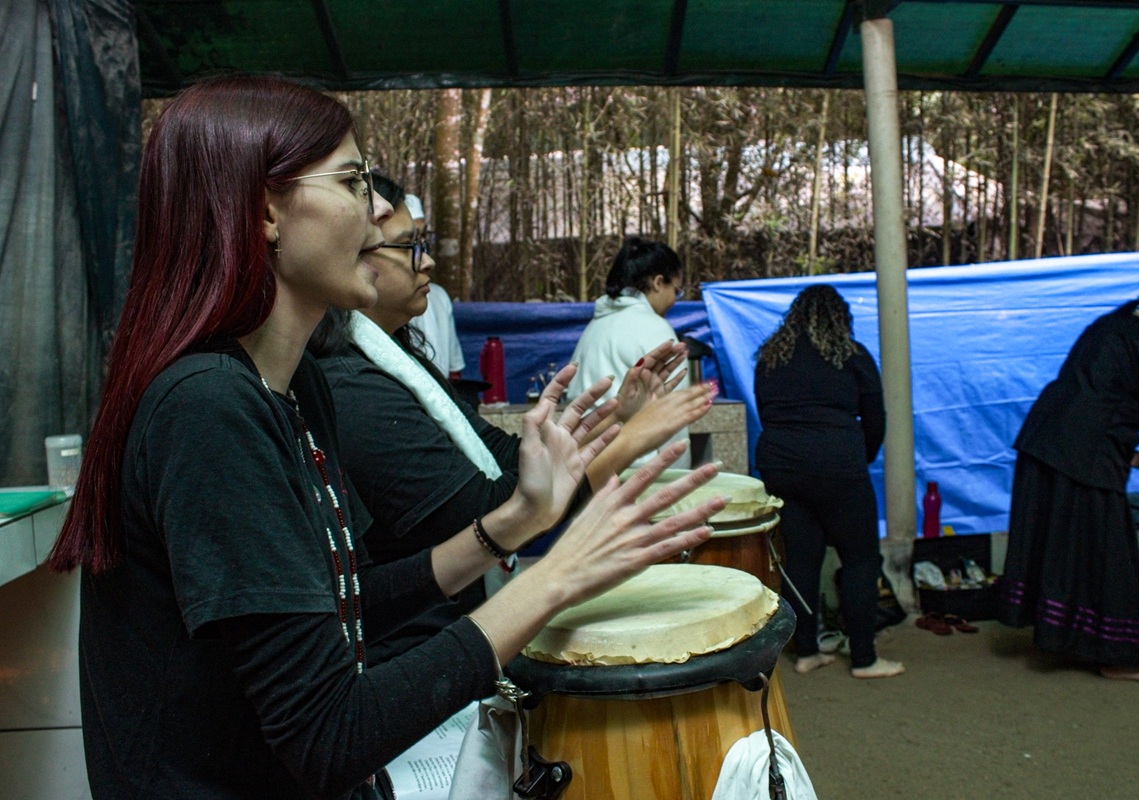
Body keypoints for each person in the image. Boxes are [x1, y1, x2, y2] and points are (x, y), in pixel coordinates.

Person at [47, 75, 724, 799]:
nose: (376, 210)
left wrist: (512, 523)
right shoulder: (206, 408)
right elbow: (329, 734)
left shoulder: (296, 385)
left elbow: (340, 598)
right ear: (264, 211)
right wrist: (555, 580)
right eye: (352, 181)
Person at [310, 172, 714, 656]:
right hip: (415, 648)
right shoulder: (349, 385)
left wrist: (618, 416)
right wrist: (629, 439)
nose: (429, 261)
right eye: (409, 246)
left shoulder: (400, 358)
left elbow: (500, 456)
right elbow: (486, 513)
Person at [998, 280, 1139, 683]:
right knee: (1108, 551)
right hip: (1089, 452)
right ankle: (1120, 658)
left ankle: (1055, 634)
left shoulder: (1111, 323)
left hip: (1044, 438)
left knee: (1058, 540)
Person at [754, 284, 903, 679]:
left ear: (795, 316)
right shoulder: (851, 355)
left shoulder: (771, 357)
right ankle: (865, 658)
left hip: (781, 467)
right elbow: (876, 418)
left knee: (801, 559)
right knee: (859, 559)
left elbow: (766, 411)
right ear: (841, 318)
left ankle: (807, 652)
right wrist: (860, 456)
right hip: (839, 468)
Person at [568, 236, 692, 468]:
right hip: (638, 471)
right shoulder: (656, 329)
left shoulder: (594, 328)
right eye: (677, 290)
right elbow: (673, 416)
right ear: (657, 283)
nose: (675, 300)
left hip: (587, 467)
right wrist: (679, 480)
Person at [401, 193, 465, 379]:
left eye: (423, 238)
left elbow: (453, 372)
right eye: (408, 243)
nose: (426, 260)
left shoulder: (438, 297)